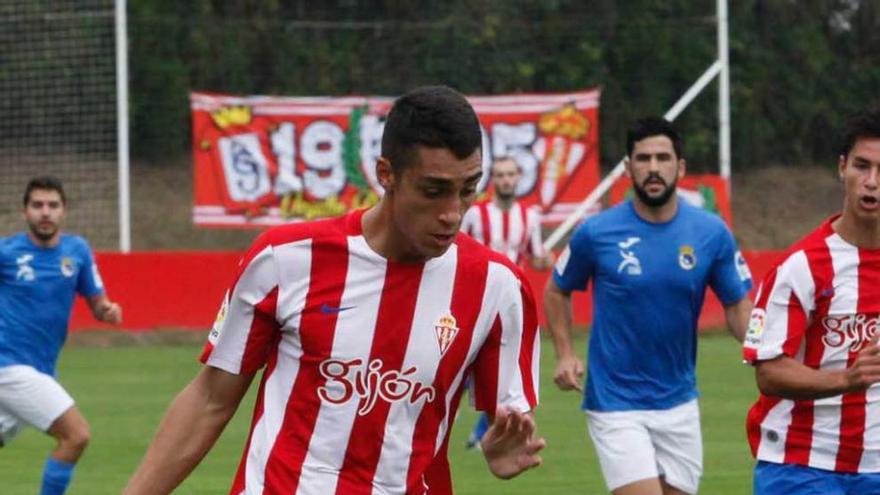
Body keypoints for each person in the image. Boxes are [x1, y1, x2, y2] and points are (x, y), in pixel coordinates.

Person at [123, 85, 544, 495]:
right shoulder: (285, 259)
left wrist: (502, 447)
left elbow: (507, 420)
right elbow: (211, 399)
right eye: (433, 191)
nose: (453, 213)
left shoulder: (499, 287)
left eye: (468, 189)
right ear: (386, 175)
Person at [543, 116, 753, 495]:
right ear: (628, 168)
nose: (653, 168)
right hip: (615, 401)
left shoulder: (711, 233)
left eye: (662, 157)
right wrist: (564, 352)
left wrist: (767, 352)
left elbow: (737, 306)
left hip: (679, 401)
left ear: (680, 166)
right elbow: (557, 290)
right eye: (643, 159)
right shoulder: (597, 232)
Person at [743, 107, 880, 494]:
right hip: (801, 465)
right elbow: (768, 373)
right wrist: (846, 379)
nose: (871, 182)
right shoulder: (802, 266)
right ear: (842, 169)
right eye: (861, 166)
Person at [0, 176, 122, 495]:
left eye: (52, 205)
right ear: (25, 211)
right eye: (37, 205)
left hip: (41, 370)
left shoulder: (77, 251)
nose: (45, 212)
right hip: (8, 366)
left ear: (63, 211)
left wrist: (108, 310)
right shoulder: (6, 253)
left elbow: (97, 302)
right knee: (76, 435)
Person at [461, 155, 553, 449]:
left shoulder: (530, 217)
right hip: (475, 301)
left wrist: (545, 259)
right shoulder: (476, 215)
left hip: (512, 305)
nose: (506, 180)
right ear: (493, 179)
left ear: (518, 177)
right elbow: (460, 250)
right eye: (500, 175)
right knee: (463, 368)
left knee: (503, 373)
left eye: (511, 174)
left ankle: (485, 434)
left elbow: (536, 256)